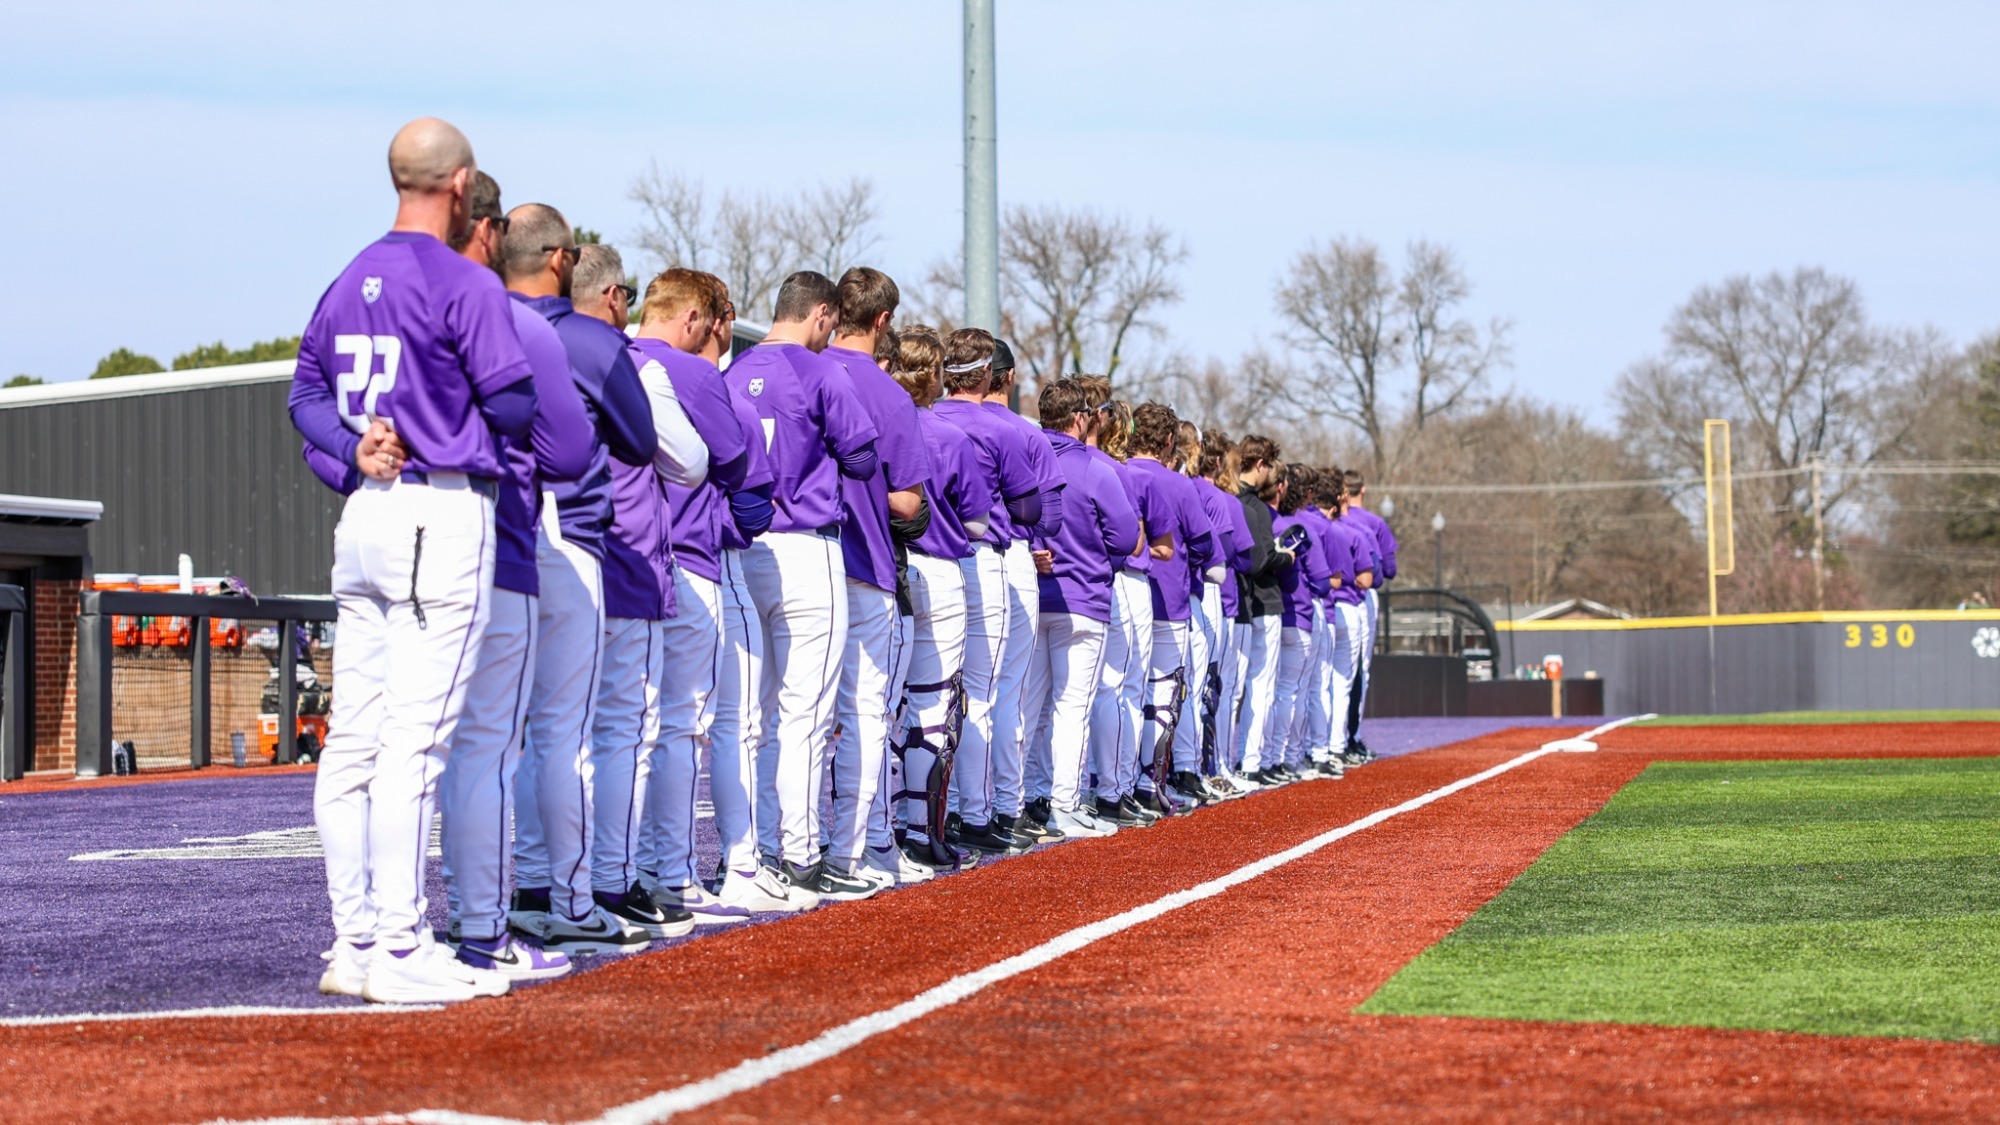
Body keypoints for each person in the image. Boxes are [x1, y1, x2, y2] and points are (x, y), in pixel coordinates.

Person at [290, 118, 533, 1003]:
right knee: (413, 743)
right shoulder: (462, 279)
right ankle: (398, 943)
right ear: (461, 185)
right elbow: (514, 406)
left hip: (367, 510)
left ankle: (355, 941)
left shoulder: (352, 270)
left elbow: (305, 392)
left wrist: (352, 447)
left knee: (354, 738)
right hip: (439, 507)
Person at [435, 171, 593, 983]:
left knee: (400, 749)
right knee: (496, 745)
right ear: (486, 228)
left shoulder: (384, 294)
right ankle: (483, 928)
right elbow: (569, 451)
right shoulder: (516, 320)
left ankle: (384, 934)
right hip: (499, 532)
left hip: (394, 526)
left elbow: (313, 404)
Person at [501, 205, 660, 957]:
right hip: (567, 530)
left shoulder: (473, 316)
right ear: (560, 259)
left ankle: (514, 895)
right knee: (564, 733)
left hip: (491, 528)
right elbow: (639, 439)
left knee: (497, 736)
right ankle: (568, 897)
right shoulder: (590, 337)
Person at [625, 269, 778, 922]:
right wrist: (729, 526)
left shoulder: (613, 356)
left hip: (613, 560)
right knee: (682, 725)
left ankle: (615, 876)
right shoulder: (691, 372)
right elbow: (745, 479)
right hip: (689, 560)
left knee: (616, 728)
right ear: (696, 318)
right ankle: (671, 872)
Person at [567, 243, 708, 942]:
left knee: (553, 734)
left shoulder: (528, 339)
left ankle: (556, 885)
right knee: (626, 729)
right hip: (624, 560)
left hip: (548, 557)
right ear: (613, 296)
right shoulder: (628, 362)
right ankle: (611, 880)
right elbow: (691, 460)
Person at [724, 271, 880, 896]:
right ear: (821, 313)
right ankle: (800, 854)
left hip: (746, 548)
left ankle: (758, 851)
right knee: (805, 713)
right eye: (830, 322)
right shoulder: (821, 370)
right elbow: (863, 459)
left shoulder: (733, 369)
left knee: (754, 715)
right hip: (807, 548)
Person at [821, 268, 932, 896]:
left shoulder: (805, 367)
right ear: (883, 320)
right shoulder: (890, 396)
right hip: (864, 563)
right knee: (866, 714)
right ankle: (852, 851)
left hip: (776, 559)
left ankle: (782, 853)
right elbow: (910, 504)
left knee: (784, 716)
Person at [930, 329, 1045, 856]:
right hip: (983, 558)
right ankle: (975, 814)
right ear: (989, 375)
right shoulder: (1003, 427)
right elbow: (1030, 510)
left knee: (933, 695)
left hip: (925, 555)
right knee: (982, 694)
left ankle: (935, 814)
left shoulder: (926, 415)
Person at [888, 327, 995, 871]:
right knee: (934, 709)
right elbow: (978, 522)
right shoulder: (949, 434)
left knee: (880, 708)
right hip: (940, 570)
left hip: (886, 566)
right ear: (933, 376)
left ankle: (873, 834)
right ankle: (920, 833)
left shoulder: (878, 419)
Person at [1025, 378, 1139, 838]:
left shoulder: (1027, 453)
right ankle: (1063, 803)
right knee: (1071, 707)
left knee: (1030, 707)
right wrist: (1099, 561)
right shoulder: (1096, 468)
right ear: (1079, 418)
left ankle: (1026, 798)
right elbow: (1127, 539)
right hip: (1082, 600)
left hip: (1032, 595)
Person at [979, 341, 1065, 845]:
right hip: (1007, 554)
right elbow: (1048, 517)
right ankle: (1005, 807)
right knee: (1009, 692)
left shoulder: (935, 416)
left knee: (957, 695)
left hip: (942, 555)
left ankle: (947, 811)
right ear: (1007, 377)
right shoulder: (1023, 431)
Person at [1123, 403, 1213, 813]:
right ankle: (1149, 783)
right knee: (1162, 693)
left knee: (1120, 693)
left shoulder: (1117, 470)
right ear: (1168, 440)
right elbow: (1205, 544)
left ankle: (1116, 784)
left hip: (1120, 596)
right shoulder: (1178, 484)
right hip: (1170, 599)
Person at [1233, 435, 1295, 783]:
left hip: (1238, 602)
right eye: (1268, 465)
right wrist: (1286, 557)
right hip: (1261, 601)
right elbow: (1260, 560)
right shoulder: (1255, 507)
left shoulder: (1228, 497)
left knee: (1234, 688)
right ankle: (1252, 761)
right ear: (1260, 465)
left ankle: (1232, 762)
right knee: (1260, 686)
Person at [1340, 469, 1396, 762]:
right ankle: (1351, 737)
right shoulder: (1372, 523)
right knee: (1358, 669)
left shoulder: (1322, 520)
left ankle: (1330, 742)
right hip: (1359, 597)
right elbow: (1387, 570)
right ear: (1362, 490)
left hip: (1323, 599)